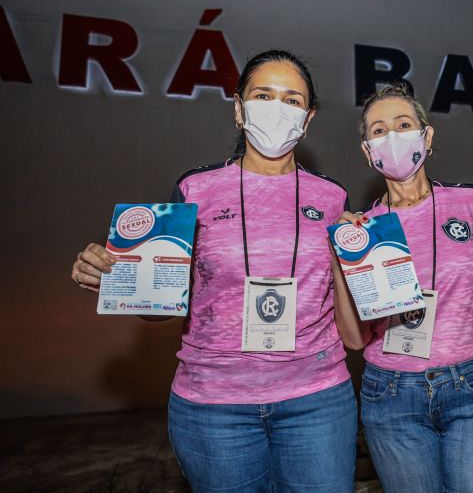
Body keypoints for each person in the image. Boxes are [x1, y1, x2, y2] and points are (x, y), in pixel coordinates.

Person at [70, 50, 357, 492]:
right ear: (239, 107)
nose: (278, 108)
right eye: (263, 95)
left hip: (316, 402)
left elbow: (349, 313)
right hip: (212, 408)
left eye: (292, 100)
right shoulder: (194, 189)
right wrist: (119, 279)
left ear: (309, 117)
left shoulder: (334, 198)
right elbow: (162, 307)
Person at [332, 83, 473, 492]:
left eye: (403, 124)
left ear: (426, 136)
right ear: (367, 151)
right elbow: (354, 340)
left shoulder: (471, 203)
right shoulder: (362, 231)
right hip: (391, 396)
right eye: (378, 130)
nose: (391, 137)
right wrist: (342, 257)